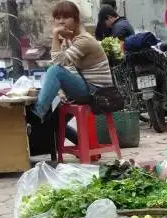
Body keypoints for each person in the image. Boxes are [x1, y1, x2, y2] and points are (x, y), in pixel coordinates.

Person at [28, 0, 113, 144]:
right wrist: (62, 92)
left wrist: (55, 36)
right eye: (58, 18)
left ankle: (36, 114)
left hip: (97, 93)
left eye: (66, 17)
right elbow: (67, 68)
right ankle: (84, 146)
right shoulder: (70, 40)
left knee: (54, 70)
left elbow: (58, 64)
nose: (61, 22)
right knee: (51, 121)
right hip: (88, 88)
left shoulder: (84, 40)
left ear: (76, 19)